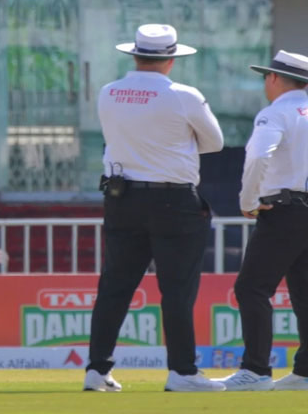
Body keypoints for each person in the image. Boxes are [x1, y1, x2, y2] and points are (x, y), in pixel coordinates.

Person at [84, 24, 224, 392]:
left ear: (134, 54)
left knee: (114, 286)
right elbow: (214, 142)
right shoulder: (184, 95)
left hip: (121, 197)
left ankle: (97, 370)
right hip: (173, 199)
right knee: (177, 289)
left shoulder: (108, 92)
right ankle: (182, 372)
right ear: (171, 59)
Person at [219, 50, 308, 391]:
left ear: (274, 78)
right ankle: (307, 372)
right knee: (305, 288)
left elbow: (258, 155)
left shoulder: (275, 113)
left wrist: (249, 200)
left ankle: (255, 370)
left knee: (252, 287)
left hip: (286, 209)